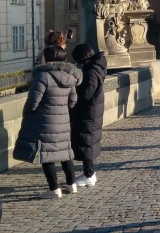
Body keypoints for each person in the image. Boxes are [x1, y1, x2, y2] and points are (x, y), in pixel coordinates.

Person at [13, 45, 83, 199]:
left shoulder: (43, 76)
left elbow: (33, 101)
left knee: (47, 153)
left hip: (45, 120)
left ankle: (54, 189)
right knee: (65, 153)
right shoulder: (70, 77)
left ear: (47, 58)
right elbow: (73, 101)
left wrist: (28, 111)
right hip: (63, 121)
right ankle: (72, 185)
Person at [70, 43, 107, 188]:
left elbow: (86, 93)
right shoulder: (95, 68)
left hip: (89, 112)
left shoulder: (91, 72)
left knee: (87, 142)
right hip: (92, 111)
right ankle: (88, 173)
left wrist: (75, 87)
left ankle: (89, 174)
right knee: (88, 141)